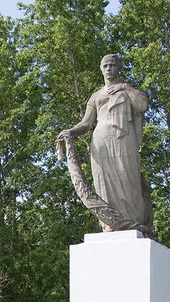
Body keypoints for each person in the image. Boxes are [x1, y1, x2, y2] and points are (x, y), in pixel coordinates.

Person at [56, 54, 151, 229]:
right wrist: (70, 131)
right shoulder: (96, 96)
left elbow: (142, 105)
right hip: (101, 140)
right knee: (104, 184)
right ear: (101, 68)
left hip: (124, 138)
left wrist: (124, 87)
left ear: (118, 67)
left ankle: (135, 223)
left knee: (130, 178)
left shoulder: (127, 90)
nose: (109, 69)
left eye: (112, 65)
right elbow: (86, 123)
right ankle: (110, 224)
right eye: (106, 66)